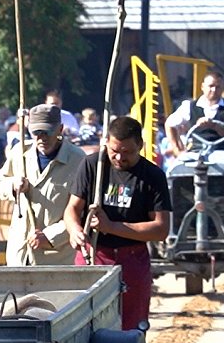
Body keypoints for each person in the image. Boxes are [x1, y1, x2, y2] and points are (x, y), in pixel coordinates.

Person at [64, 115, 171, 331]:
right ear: (107, 143)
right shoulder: (93, 165)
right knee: (84, 326)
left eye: (127, 152)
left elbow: (161, 229)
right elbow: (72, 209)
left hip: (131, 261)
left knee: (130, 328)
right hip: (93, 255)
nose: (119, 158)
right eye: (114, 150)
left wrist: (112, 227)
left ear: (140, 146)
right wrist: (74, 230)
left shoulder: (153, 176)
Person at [0, 104, 82, 265]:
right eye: (36, 132)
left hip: (56, 259)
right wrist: (13, 185)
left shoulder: (78, 160)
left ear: (60, 129)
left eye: (47, 132)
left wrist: (50, 236)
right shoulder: (19, 152)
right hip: (20, 254)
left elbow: (83, 210)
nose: (42, 138)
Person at [164, 72, 224, 157]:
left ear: (222, 88)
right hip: (196, 152)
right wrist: (177, 150)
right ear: (203, 87)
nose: (214, 90)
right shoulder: (189, 106)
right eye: (211, 86)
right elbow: (170, 124)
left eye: (218, 87)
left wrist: (214, 126)